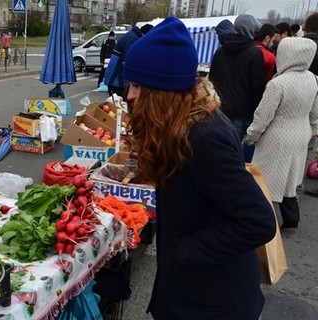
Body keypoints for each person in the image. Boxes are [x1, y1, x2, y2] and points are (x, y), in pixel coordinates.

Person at [122, 16, 276, 319]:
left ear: (162, 91)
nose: (129, 94)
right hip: (188, 289)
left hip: (214, 302)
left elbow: (258, 221)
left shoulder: (204, 138)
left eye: (138, 85)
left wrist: (185, 251)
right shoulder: (181, 125)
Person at [244, 37, 318, 230]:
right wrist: (313, 130)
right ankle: (291, 217)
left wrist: (251, 136)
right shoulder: (313, 78)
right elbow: (315, 112)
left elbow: (263, 116)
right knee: (290, 178)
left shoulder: (278, 84)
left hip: (277, 138)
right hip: (301, 133)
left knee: (266, 181)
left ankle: (263, 223)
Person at [209, 14, 265, 163]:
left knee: (218, 149)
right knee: (237, 154)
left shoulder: (220, 52)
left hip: (219, 110)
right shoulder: (254, 53)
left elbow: (211, 80)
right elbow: (257, 87)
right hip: (243, 113)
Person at [104, 24, 153, 98]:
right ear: (145, 34)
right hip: (117, 81)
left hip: (118, 80)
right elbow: (127, 62)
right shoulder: (132, 39)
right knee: (120, 106)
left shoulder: (133, 36)